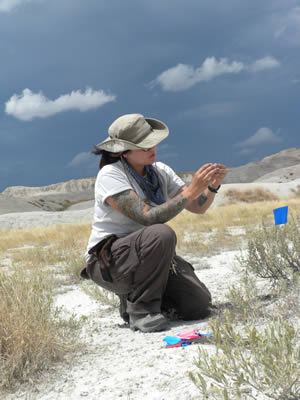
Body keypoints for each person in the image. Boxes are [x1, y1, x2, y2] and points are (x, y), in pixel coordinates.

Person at [83, 113, 227, 333]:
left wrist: (211, 187)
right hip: (110, 261)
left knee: (199, 305)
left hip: (148, 256)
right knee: (161, 233)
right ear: (124, 151)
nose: (152, 149)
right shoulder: (110, 175)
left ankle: (142, 301)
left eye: (152, 143)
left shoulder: (160, 171)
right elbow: (148, 217)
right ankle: (141, 310)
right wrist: (191, 191)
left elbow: (198, 207)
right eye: (144, 146)